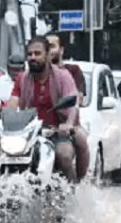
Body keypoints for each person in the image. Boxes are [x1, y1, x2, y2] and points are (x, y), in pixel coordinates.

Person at [8, 36, 89, 182]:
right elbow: (13, 102)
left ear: (47, 55)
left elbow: (73, 103)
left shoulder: (63, 76)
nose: (33, 57)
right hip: (29, 134)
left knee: (64, 155)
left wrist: (68, 124)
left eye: (38, 53)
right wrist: (4, 117)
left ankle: (73, 190)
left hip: (58, 132)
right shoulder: (22, 78)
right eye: (30, 54)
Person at [45, 33, 86, 103]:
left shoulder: (73, 71)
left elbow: (78, 100)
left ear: (61, 50)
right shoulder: (38, 74)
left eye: (52, 46)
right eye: (45, 47)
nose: (48, 50)